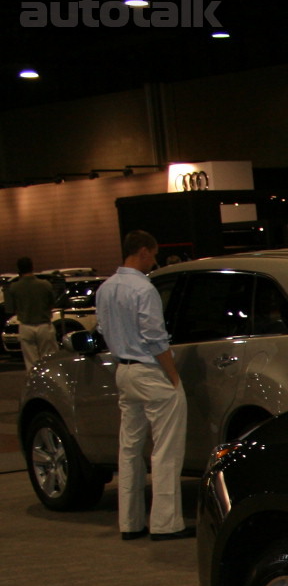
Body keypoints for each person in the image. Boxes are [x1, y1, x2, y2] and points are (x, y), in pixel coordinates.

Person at [94, 230, 191, 540]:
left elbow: (102, 329)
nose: (155, 259)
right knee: (166, 449)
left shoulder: (106, 289)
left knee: (129, 448)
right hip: (150, 372)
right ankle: (166, 524)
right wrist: (173, 376)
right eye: (154, 253)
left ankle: (130, 522)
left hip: (123, 371)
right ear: (144, 252)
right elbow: (154, 336)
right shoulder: (144, 288)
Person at [4, 257, 57, 369]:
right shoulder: (45, 285)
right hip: (44, 325)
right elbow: (52, 302)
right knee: (49, 358)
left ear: (19, 269)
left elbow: (11, 308)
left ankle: (34, 383)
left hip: (26, 326)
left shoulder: (14, 287)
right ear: (32, 267)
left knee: (31, 361)